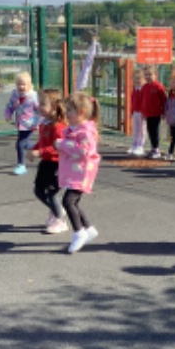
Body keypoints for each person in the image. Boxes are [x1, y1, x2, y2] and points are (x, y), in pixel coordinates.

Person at [56, 93, 102, 254]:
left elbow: (83, 152)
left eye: (70, 110)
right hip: (75, 172)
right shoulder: (74, 129)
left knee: (68, 202)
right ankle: (88, 229)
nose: (66, 113)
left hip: (82, 174)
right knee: (73, 203)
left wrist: (62, 144)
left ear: (81, 112)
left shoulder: (85, 132)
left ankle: (79, 232)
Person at [30, 88, 68, 234]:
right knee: (38, 190)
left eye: (42, 104)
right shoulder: (44, 123)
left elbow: (59, 148)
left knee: (52, 193)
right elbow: (42, 142)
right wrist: (35, 149)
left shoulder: (59, 127)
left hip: (57, 164)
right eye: (39, 103)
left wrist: (40, 151)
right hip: (45, 163)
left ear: (54, 106)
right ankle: (57, 210)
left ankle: (60, 220)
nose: (39, 106)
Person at [4, 72, 40, 175]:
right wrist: (8, 114)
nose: (21, 87)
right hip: (20, 124)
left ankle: (21, 165)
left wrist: (38, 123)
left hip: (30, 124)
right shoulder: (15, 94)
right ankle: (40, 148)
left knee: (19, 144)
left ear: (29, 85)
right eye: (19, 84)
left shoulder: (33, 96)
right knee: (25, 143)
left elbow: (39, 110)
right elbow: (10, 105)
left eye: (23, 84)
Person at [140, 65, 167, 159]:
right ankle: (153, 148)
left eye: (150, 74)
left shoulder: (158, 86)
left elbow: (164, 100)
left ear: (155, 75)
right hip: (148, 114)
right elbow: (143, 100)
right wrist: (143, 112)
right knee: (150, 131)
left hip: (156, 113)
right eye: (146, 75)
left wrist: (163, 112)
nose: (148, 77)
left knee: (154, 131)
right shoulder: (144, 87)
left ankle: (156, 149)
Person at [127, 69, 146, 156]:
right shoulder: (135, 89)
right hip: (135, 112)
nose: (137, 81)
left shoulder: (144, 89)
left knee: (142, 130)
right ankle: (135, 144)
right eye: (135, 79)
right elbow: (132, 101)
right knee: (136, 129)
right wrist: (131, 111)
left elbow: (145, 101)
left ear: (143, 79)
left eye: (139, 78)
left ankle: (140, 145)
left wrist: (144, 112)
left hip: (142, 113)